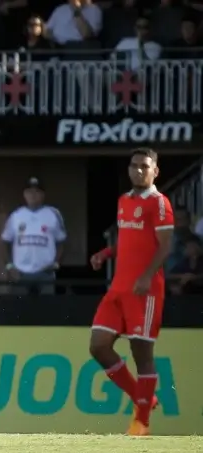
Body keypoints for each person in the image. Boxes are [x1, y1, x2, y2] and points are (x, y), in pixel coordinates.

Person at [89, 147, 173, 437]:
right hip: (119, 288)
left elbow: (164, 246)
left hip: (145, 290)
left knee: (142, 354)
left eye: (145, 166)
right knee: (98, 346)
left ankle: (142, 422)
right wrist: (107, 253)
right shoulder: (124, 201)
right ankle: (145, 398)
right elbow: (130, 241)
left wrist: (147, 276)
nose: (139, 170)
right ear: (128, 169)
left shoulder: (160, 204)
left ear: (155, 171)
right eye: (135, 165)